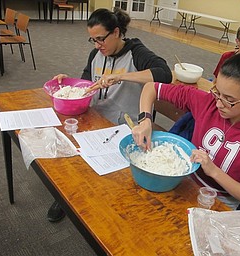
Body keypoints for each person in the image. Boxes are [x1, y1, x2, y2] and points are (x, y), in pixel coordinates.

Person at [48, 7, 172, 222]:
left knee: (103, 170)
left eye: (101, 39)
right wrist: (68, 85)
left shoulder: (136, 52)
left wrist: (122, 77)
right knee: (68, 145)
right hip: (95, 117)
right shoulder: (96, 54)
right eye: (93, 40)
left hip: (123, 125)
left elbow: (164, 74)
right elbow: (87, 83)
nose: (97, 45)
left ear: (116, 32)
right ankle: (66, 197)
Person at [132, 53, 240, 209]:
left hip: (218, 202)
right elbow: (151, 88)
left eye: (229, 100)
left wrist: (213, 170)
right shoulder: (207, 102)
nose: (218, 104)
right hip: (183, 184)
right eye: (217, 92)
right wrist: (145, 120)